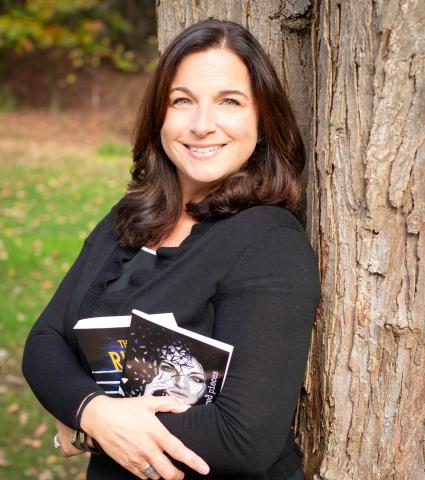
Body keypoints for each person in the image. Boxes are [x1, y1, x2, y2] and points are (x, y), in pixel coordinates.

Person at [22, 19, 320, 480]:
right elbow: (44, 344)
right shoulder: (130, 217)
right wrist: (93, 410)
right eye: (183, 101)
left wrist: (91, 424)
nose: (202, 125)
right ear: (160, 115)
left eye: (229, 102)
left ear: (262, 120)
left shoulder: (268, 241)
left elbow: (244, 438)